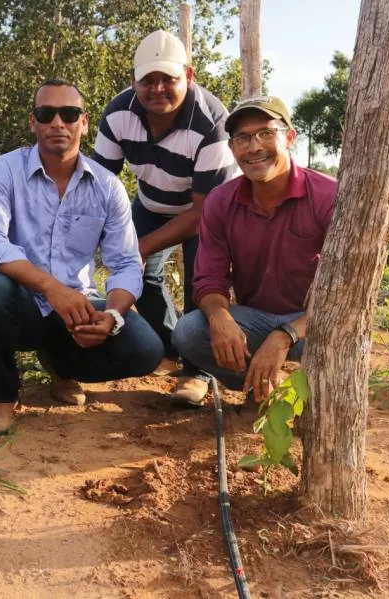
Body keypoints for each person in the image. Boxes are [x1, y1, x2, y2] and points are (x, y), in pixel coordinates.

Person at [0, 79, 164, 435]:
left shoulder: (107, 187)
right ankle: (2, 393)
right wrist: (50, 288)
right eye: (47, 114)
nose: (58, 123)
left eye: (69, 114)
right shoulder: (6, 169)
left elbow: (124, 263)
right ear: (34, 122)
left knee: (146, 349)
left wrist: (112, 315)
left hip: (77, 310)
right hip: (23, 305)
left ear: (84, 122)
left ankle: (62, 367)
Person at [91, 30, 238, 406]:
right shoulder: (118, 113)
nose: (157, 88)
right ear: (133, 80)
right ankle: (171, 348)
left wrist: (140, 245)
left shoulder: (212, 124)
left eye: (168, 79)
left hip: (205, 213)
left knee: (199, 281)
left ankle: (197, 371)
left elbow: (203, 211)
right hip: (150, 203)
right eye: (147, 80)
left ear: (188, 76)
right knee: (139, 274)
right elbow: (97, 184)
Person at [172, 96, 337, 403]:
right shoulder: (221, 201)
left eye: (266, 133)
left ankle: (315, 396)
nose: (254, 147)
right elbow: (209, 278)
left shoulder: (328, 195)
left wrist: (285, 334)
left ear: (289, 137)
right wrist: (220, 316)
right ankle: (262, 387)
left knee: (341, 339)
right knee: (189, 332)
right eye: (243, 138)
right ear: (232, 148)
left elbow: (347, 295)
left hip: (314, 321)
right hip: (255, 317)